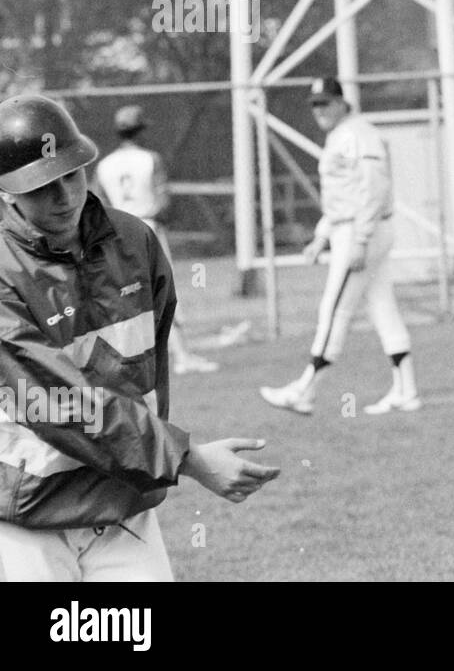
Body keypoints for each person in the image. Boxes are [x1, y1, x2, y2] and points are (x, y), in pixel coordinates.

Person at [0, 95, 279, 580]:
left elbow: (149, 369)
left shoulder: (135, 241)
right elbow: (53, 399)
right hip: (30, 516)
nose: (65, 197)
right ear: (6, 192)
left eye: (72, 174)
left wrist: (147, 462)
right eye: (43, 187)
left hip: (123, 503)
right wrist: (184, 457)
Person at [260, 77, 419, 416]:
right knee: (381, 306)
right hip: (355, 228)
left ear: (341, 102)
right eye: (315, 104)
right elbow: (342, 195)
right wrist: (322, 234)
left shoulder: (358, 133)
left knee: (335, 309)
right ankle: (406, 390)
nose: (319, 109)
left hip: (363, 231)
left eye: (325, 102)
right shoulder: (343, 134)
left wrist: (360, 239)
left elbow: (373, 189)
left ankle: (305, 390)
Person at [95, 104, 219, 375]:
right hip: (147, 229)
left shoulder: (104, 165)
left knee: (125, 296)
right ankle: (182, 356)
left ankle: (119, 363)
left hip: (116, 234)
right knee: (163, 291)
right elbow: (164, 202)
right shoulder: (151, 159)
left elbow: (97, 207)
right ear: (140, 131)